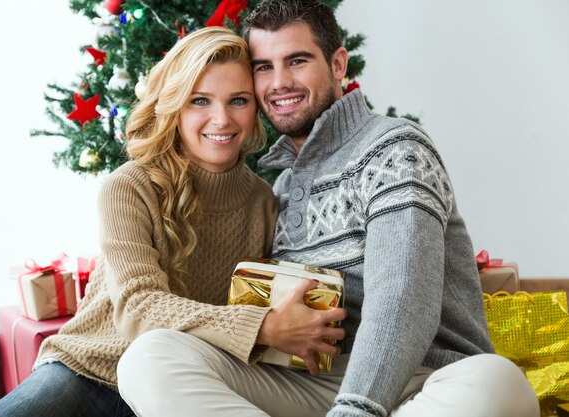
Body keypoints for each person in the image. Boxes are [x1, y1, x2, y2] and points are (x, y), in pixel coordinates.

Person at [117, 1, 539, 417]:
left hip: (424, 381)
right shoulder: (276, 189)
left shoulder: (395, 150)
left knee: (496, 382)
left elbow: (402, 303)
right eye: (264, 66)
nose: (279, 82)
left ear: (338, 64)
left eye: (297, 60)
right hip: (310, 383)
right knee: (150, 357)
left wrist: (354, 410)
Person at [0, 26, 278, 417]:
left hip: (179, 385)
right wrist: (258, 326)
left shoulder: (264, 203)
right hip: (87, 373)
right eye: (200, 100)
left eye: (238, 100)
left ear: (256, 108)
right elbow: (139, 307)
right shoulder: (129, 187)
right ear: (174, 106)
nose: (221, 119)